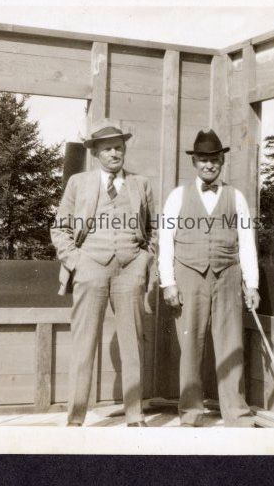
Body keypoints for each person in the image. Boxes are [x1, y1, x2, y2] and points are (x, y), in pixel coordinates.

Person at [51, 119, 157, 427]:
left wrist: (144, 260)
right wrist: (76, 262)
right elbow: (60, 228)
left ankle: (135, 415)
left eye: (119, 148)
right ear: (96, 153)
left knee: (132, 344)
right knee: (83, 344)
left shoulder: (141, 184)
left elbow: (154, 228)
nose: (114, 153)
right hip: (90, 267)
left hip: (130, 269)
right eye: (108, 149)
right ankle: (75, 417)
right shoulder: (78, 183)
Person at [158, 129, 260, 427]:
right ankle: (190, 412)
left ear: (222, 162)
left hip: (228, 276)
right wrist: (168, 282)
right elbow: (165, 241)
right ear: (195, 162)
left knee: (231, 344)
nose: (209, 165)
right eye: (203, 159)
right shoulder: (178, 196)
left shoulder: (235, 197)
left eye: (214, 159)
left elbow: (247, 243)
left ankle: (236, 413)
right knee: (190, 346)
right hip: (188, 276)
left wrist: (252, 284)